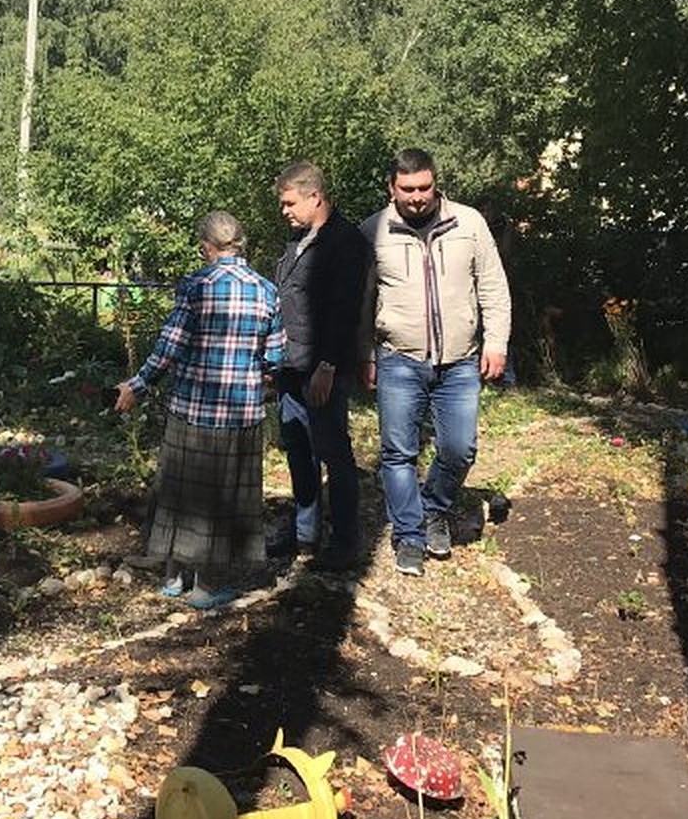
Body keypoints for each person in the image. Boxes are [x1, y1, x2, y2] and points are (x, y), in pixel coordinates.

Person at [115, 210, 285, 609]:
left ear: (206, 247)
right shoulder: (266, 290)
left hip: (190, 409)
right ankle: (206, 588)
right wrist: (258, 377)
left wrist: (137, 386)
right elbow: (275, 357)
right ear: (241, 244)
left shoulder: (196, 285)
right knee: (223, 500)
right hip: (240, 416)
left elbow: (169, 347)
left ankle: (173, 579)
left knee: (179, 493)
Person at [360, 148, 511, 577]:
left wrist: (496, 342)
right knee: (398, 452)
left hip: (460, 361)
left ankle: (433, 509)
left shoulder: (468, 223)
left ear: (435, 183)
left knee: (459, 449)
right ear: (392, 188)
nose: (417, 197)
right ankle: (408, 535)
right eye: (407, 189)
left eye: (425, 187)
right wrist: (363, 355)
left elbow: (494, 288)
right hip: (398, 359)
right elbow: (362, 303)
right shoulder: (374, 231)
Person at [271, 162, 370, 572]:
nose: (285, 211)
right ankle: (304, 533)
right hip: (291, 367)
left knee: (333, 452)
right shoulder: (298, 240)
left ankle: (346, 541)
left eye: (289, 203)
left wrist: (327, 365)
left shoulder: (346, 242)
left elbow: (344, 310)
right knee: (299, 452)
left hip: (322, 369)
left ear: (315, 197)